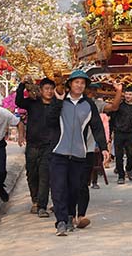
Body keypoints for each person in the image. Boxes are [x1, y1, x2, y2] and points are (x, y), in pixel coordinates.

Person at [47, 70, 110, 236]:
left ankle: (69, 216)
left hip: (79, 154)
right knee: (58, 188)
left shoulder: (88, 105)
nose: (79, 85)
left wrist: (103, 147)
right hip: (58, 152)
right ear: (70, 84)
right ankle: (60, 221)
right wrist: (58, 102)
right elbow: (50, 121)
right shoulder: (60, 100)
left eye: (82, 83)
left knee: (74, 188)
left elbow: (97, 127)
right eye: (76, 82)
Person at [78, 82, 120, 227]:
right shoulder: (68, 103)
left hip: (88, 148)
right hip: (69, 149)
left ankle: (80, 215)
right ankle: (68, 214)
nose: (92, 91)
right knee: (69, 183)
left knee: (83, 184)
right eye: (90, 89)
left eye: (94, 89)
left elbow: (98, 127)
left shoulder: (94, 104)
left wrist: (103, 147)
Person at [16, 77, 57, 217]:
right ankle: (35, 199)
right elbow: (18, 101)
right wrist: (22, 85)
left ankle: (42, 206)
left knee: (45, 175)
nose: (49, 91)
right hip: (33, 145)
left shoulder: (57, 105)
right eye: (46, 89)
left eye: (52, 89)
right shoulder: (32, 103)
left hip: (49, 146)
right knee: (32, 174)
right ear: (41, 90)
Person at [110, 87, 132, 184]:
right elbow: (112, 119)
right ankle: (121, 175)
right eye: (126, 94)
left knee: (131, 154)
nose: (128, 96)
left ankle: (129, 169)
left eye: (130, 94)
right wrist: (110, 132)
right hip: (119, 133)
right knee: (118, 156)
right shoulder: (119, 106)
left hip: (130, 133)